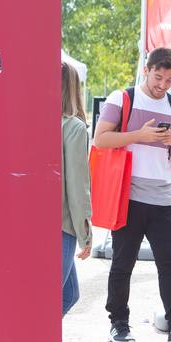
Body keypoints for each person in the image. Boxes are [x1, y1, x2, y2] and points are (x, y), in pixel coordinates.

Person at [93, 48, 171, 342]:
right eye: (158, 77)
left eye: (169, 79)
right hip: (129, 194)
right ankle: (118, 323)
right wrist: (138, 136)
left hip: (164, 195)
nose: (162, 85)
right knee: (123, 262)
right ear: (147, 70)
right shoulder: (122, 98)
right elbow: (101, 139)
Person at [61, 62, 91, 316]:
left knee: (70, 294)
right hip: (63, 224)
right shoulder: (74, 128)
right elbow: (77, 184)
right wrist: (86, 234)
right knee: (54, 297)